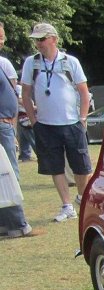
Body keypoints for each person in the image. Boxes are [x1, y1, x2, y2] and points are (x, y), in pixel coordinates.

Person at [21, 22, 92, 222]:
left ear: (54, 39)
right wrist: (34, 121)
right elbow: (26, 94)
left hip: (72, 122)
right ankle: (67, 205)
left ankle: (81, 198)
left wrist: (83, 118)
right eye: (36, 40)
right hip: (45, 125)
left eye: (42, 39)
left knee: (81, 166)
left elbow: (84, 92)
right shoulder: (31, 63)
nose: (38, 44)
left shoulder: (71, 61)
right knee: (55, 167)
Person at [0, 22, 37, 238]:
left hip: (5, 122)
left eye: (2, 35)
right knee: (9, 174)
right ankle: (19, 224)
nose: (2, 39)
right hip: (2, 124)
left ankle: (6, 224)